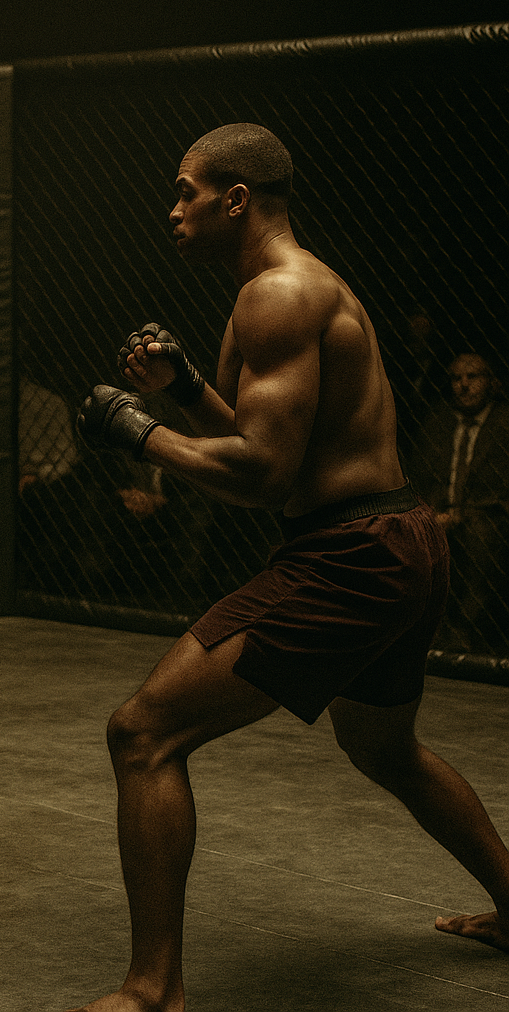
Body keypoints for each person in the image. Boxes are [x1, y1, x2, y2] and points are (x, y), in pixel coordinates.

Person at [72, 124, 509, 1012]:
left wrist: (139, 432)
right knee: (385, 747)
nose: (173, 208)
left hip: (352, 554)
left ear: (236, 199)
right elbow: (271, 440)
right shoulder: (291, 291)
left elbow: (265, 475)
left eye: (186, 190)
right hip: (399, 537)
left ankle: (153, 990)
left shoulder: (277, 294)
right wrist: (187, 387)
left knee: (143, 734)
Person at [408, 352, 509, 653]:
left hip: (487, 516)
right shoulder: (438, 421)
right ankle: (424, 629)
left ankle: (466, 630)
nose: (463, 385)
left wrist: (463, 514)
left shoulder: (504, 423)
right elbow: (420, 475)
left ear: (492, 383)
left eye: (473, 377)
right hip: (438, 513)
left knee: (481, 536)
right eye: (456, 378)